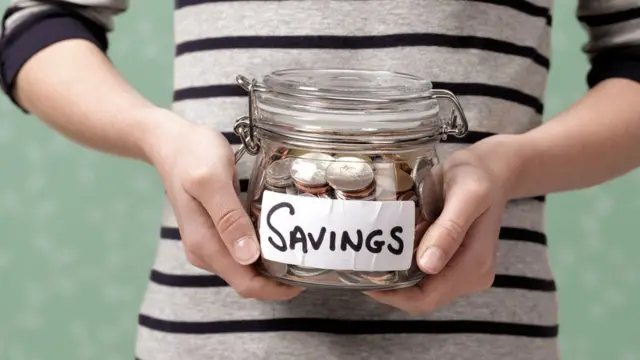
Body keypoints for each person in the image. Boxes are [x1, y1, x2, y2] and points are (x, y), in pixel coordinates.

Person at [1, 0, 639, 359]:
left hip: (483, 339)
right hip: (215, 342)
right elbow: (35, 25)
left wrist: (511, 165)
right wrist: (157, 135)